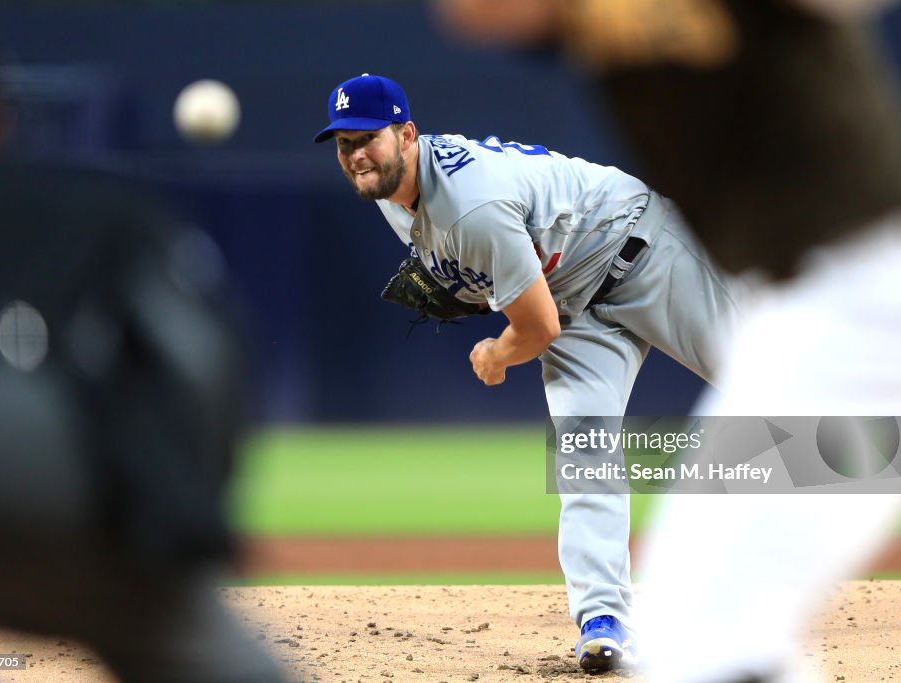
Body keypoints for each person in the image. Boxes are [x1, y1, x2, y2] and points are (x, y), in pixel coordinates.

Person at [434, 1, 901, 681]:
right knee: (702, 631)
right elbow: (483, 14)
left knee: (700, 635)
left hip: (872, 298)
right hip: (810, 308)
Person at [313, 72, 744, 671]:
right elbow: (534, 301)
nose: (357, 154)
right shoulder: (393, 198)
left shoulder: (471, 207)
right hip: (572, 298)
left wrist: (495, 353)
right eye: (343, 143)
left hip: (641, 248)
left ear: (407, 134)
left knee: (769, 380)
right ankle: (604, 619)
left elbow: (536, 329)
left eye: (369, 137)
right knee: (584, 449)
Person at [0, 11, 285, 682]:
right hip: (53, 484)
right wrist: (186, 522)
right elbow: (196, 363)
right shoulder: (92, 216)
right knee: (193, 642)